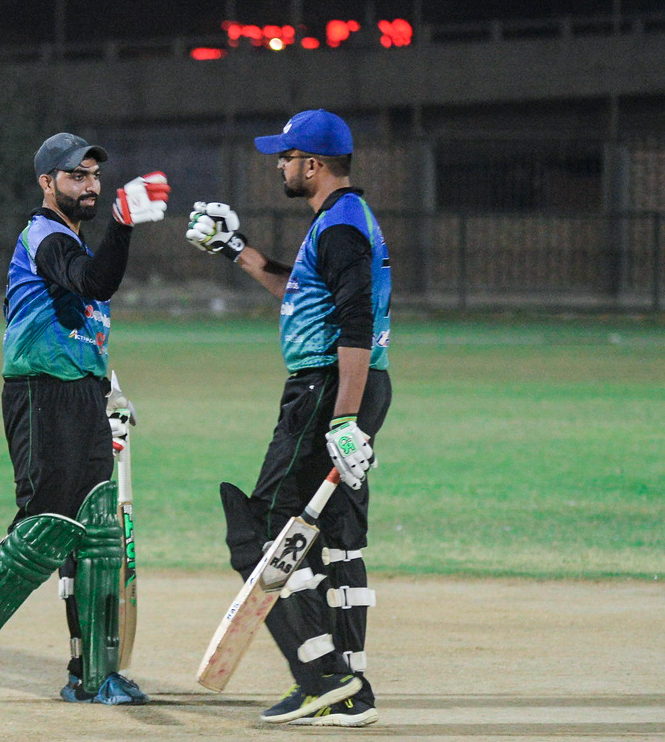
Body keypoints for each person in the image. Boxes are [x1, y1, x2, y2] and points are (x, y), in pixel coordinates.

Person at [0, 132, 170, 705]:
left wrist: (106, 387)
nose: (89, 185)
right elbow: (95, 282)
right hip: (40, 395)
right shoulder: (44, 235)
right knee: (44, 528)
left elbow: (85, 316)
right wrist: (123, 224)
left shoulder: (73, 242)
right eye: (76, 176)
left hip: (82, 395)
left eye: (93, 175)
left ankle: (93, 675)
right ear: (47, 182)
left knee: (96, 531)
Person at [185, 109, 391, 727]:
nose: (280, 165)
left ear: (314, 164)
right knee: (337, 537)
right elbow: (300, 291)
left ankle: (323, 679)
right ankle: (349, 691)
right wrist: (236, 250)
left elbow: (355, 324)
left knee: (265, 530)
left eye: (287, 157)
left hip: (327, 389)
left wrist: (343, 419)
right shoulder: (341, 219)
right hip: (348, 387)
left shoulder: (342, 227)